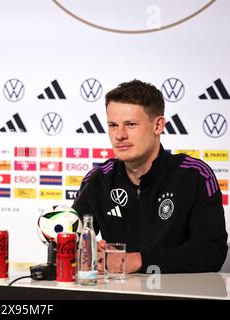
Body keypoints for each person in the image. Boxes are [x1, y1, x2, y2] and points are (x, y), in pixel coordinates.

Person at [72, 79, 228, 273]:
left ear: (158, 126)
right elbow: (69, 239)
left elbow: (212, 251)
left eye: (130, 124)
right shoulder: (99, 179)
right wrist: (89, 250)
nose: (119, 135)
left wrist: (137, 260)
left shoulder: (194, 175)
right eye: (113, 125)